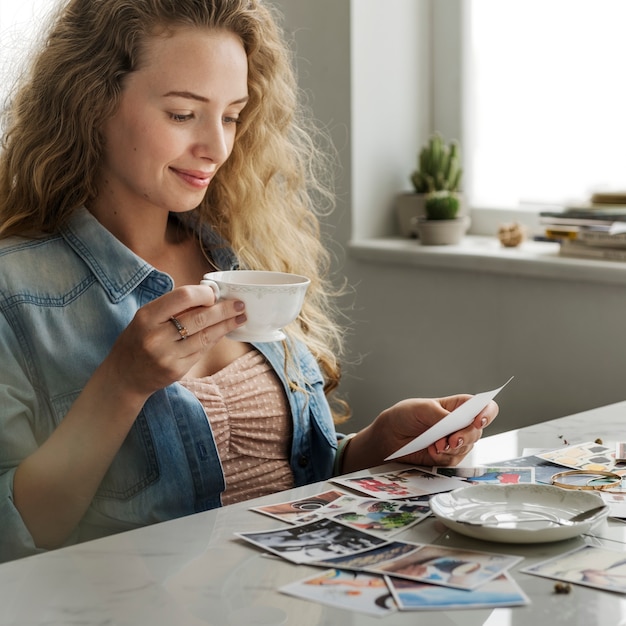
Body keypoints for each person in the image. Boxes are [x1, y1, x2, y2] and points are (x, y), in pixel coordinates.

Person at [0, 0, 498, 563]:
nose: (215, 147)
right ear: (91, 103)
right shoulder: (14, 291)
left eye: (232, 115)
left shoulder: (235, 254)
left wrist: (370, 449)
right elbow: (16, 534)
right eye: (183, 114)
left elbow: (285, 479)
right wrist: (121, 384)